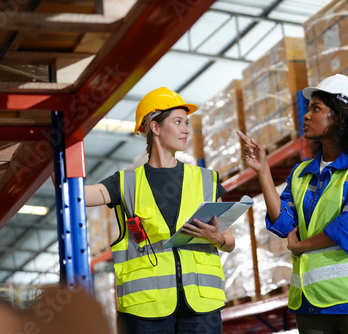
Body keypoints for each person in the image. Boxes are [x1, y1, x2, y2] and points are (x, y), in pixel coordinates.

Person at [237, 74, 348, 334]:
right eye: (309, 109)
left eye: (316, 108)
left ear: (341, 116)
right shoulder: (301, 172)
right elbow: (284, 221)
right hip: (309, 306)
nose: (306, 115)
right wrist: (263, 170)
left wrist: (300, 245)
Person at [84, 87, 236, 334]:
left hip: (201, 307)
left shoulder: (206, 180)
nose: (186, 129)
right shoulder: (125, 183)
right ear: (155, 127)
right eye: (178, 122)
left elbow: (229, 242)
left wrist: (217, 238)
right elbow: (78, 197)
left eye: (186, 122)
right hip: (145, 312)